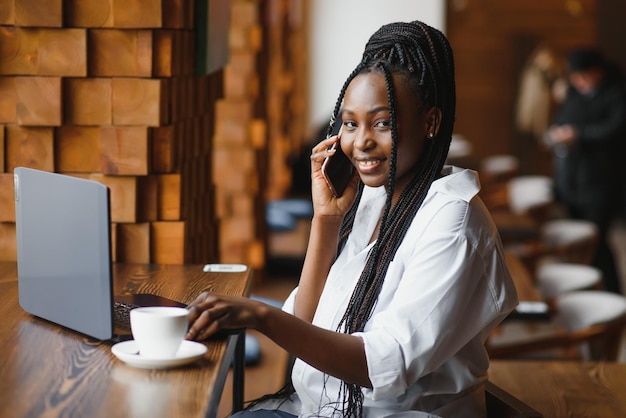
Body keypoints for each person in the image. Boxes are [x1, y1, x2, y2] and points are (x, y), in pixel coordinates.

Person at [186, 20, 518, 417]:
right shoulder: (374, 199)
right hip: (318, 408)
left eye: (383, 123)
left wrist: (260, 315)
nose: (360, 142)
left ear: (430, 122)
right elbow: (304, 321)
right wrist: (326, 220)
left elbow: (384, 364)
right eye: (349, 123)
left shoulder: (454, 222)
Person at [545, 47, 626, 294]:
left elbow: (615, 131)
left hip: (601, 180)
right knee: (577, 242)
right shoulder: (573, 93)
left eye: (583, 76)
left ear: (596, 72)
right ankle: (585, 291)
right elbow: (562, 119)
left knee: (597, 242)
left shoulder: (616, 93)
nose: (578, 81)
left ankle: (612, 296)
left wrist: (579, 136)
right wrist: (557, 133)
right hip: (572, 180)